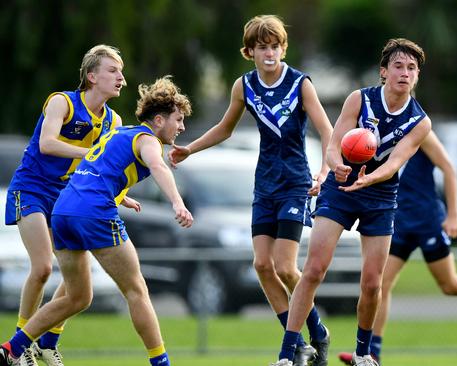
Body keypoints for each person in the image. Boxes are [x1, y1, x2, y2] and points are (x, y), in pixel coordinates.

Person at [168, 15, 333, 366]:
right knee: (261, 265)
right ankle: (312, 335)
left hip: (295, 184)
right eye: (262, 47)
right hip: (264, 187)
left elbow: (326, 130)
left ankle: (291, 351)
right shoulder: (244, 86)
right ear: (250, 52)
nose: (269, 52)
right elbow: (225, 128)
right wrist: (189, 148)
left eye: (275, 46)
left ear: (283, 48)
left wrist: (324, 171)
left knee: (286, 267)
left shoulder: (301, 84)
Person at [0, 75, 193, 366]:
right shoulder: (148, 139)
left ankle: (12, 349)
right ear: (157, 120)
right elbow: (158, 166)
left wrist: (121, 196)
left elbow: (97, 169)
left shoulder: (120, 132)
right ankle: (161, 362)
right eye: (177, 120)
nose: (181, 127)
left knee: (79, 296)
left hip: (63, 211)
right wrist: (178, 203)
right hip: (92, 212)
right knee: (136, 289)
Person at [270, 37, 432, 366]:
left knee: (372, 283)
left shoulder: (420, 121)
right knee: (314, 269)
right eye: (398, 66)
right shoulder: (359, 99)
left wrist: (371, 178)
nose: (405, 73)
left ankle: (363, 354)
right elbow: (332, 145)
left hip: (380, 195)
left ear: (417, 77)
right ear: (383, 72)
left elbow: (394, 163)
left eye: (411, 68)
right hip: (341, 187)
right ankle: (287, 355)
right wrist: (336, 164)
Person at [337, 129, 457, 365]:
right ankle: (372, 353)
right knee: (380, 284)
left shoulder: (420, 131)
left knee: (450, 284)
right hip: (399, 222)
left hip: (428, 221)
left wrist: (454, 215)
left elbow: (448, 168)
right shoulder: (378, 136)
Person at [3, 44, 132, 366]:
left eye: (121, 71)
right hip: (31, 190)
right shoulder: (62, 102)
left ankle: (48, 342)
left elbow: (103, 170)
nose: (121, 78)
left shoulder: (113, 121)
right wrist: (89, 153)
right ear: (91, 76)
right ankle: (22, 344)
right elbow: (47, 144)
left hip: (66, 197)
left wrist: (120, 194)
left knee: (77, 277)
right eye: (113, 71)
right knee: (43, 267)